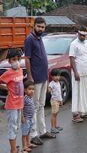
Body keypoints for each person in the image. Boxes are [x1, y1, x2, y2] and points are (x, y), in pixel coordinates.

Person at [24, 17, 55, 145]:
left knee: (41, 105)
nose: (41, 29)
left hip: (43, 77)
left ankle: (42, 131)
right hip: (35, 78)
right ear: (34, 26)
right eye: (39, 26)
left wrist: (47, 77)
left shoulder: (40, 38)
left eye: (43, 27)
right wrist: (30, 77)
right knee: (34, 107)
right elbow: (27, 59)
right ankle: (33, 134)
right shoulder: (29, 39)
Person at [0, 49, 24, 153]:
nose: (17, 61)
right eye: (14, 59)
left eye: (18, 59)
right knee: (12, 127)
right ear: (9, 61)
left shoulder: (20, 70)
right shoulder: (8, 73)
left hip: (19, 104)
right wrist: (7, 89)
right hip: (11, 105)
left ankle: (14, 147)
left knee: (17, 126)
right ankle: (13, 150)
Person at [69, 26, 87, 123]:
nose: (83, 37)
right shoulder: (74, 44)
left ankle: (84, 112)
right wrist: (75, 72)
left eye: (84, 35)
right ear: (78, 34)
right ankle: (75, 114)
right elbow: (72, 58)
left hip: (86, 72)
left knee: (85, 92)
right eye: (81, 35)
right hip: (78, 73)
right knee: (77, 93)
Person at [21, 80, 35, 153]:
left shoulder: (30, 97)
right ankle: (24, 147)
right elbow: (21, 108)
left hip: (30, 118)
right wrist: (22, 117)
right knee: (24, 133)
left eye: (33, 89)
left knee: (28, 132)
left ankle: (28, 143)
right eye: (30, 89)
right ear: (25, 90)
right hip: (26, 119)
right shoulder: (24, 98)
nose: (32, 91)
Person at [48, 69, 63, 134]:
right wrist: (49, 89)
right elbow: (49, 89)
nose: (57, 77)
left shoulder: (58, 82)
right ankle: (52, 128)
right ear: (52, 76)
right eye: (55, 76)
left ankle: (55, 126)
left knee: (56, 114)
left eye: (58, 76)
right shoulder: (52, 83)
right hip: (54, 101)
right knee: (54, 114)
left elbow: (59, 92)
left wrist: (61, 100)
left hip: (57, 100)